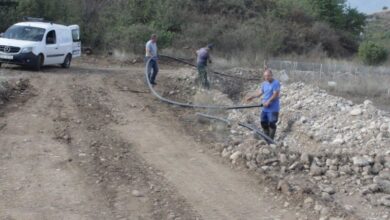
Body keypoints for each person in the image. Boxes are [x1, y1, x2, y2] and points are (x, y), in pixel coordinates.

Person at [246, 69, 281, 140]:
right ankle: (266, 137)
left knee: (271, 123)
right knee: (263, 122)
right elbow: (260, 92)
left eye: (268, 76)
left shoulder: (275, 83)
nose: (267, 77)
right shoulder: (264, 83)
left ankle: (270, 140)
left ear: (271, 75)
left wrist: (268, 101)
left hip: (273, 108)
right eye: (265, 76)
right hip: (265, 108)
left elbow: (275, 94)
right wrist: (252, 97)